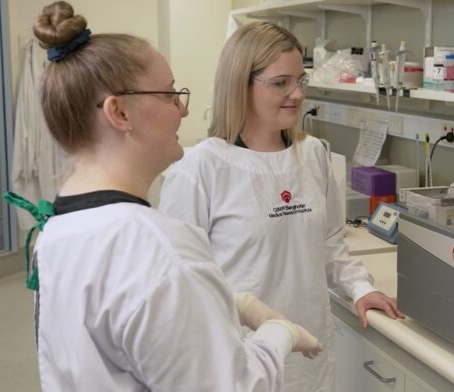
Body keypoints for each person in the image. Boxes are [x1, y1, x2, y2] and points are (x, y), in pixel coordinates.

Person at [16, 3, 322, 391]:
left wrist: (230, 302)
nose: (182, 109)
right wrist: (279, 334)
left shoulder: (56, 232)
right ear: (119, 113)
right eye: (169, 95)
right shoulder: (160, 250)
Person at [159, 21, 404, 391]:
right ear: (240, 85)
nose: (296, 94)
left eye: (300, 81)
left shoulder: (314, 154)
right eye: (280, 84)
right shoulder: (201, 169)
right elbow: (180, 287)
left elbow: (329, 242)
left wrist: (358, 287)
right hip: (237, 361)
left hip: (309, 352)